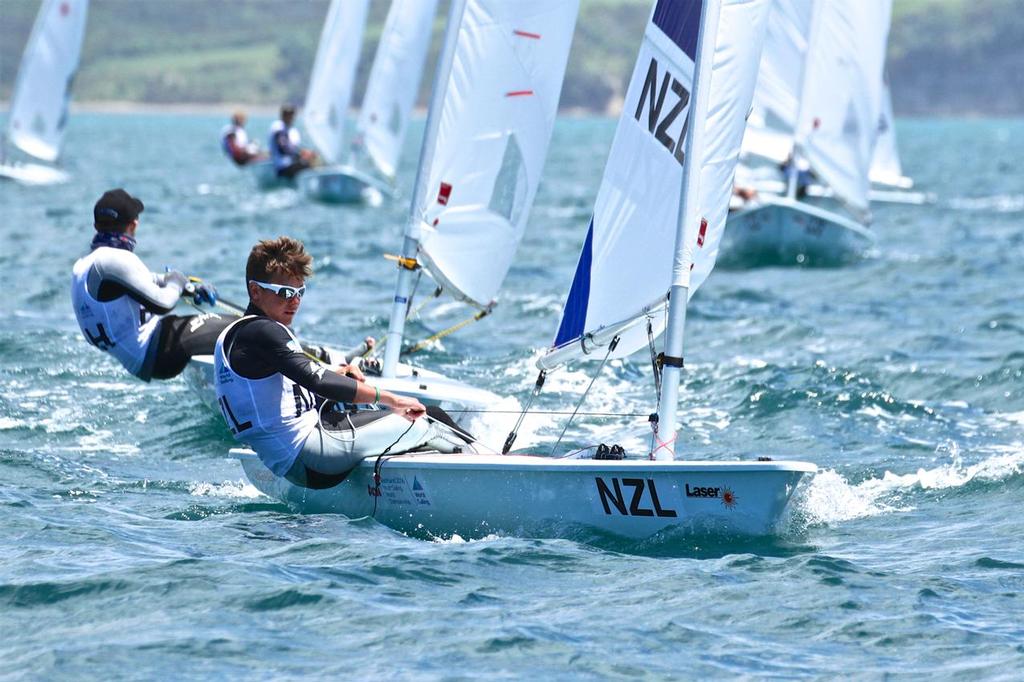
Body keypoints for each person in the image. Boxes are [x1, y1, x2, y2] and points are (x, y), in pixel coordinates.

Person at [213, 237, 470, 489]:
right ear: (255, 291)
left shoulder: (234, 335)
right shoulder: (264, 331)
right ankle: (487, 468)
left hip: (290, 462)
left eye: (300, 292)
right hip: (314, 457)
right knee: (429, 417)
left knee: (373, 411)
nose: (295, 301)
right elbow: (318, 381)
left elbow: (280, 390)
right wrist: (392, 399)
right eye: (286, 292)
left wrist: (339, 373)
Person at [71, 188, 230, 382]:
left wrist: (188, 286)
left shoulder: (84, 266)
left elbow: (151, 280)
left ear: (96, 225)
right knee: (243, 325)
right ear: (133, 225)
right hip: (159, 349)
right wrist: (177, 282)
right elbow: (161, 304)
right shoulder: (113, 260)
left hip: (144, 358)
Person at [268, 104, 317, 179]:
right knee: (308, 164)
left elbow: (293, 148)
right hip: (282, 167)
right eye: (287, 114)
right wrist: (301, 154)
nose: (290, 117)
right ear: (283, 115)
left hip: (290, 164)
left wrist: (305, 153)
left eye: (291, 114)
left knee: (315, 160)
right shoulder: (278, 127)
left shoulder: (290, 130)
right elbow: (283, 148)